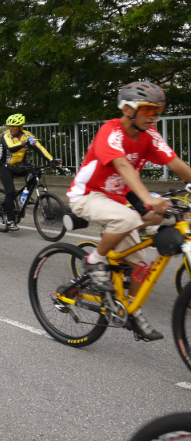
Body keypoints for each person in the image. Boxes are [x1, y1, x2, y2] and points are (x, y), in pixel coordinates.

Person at [67, 81, 191, 340]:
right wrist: (147, 198)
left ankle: (132, 310)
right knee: (128, 217)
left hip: (119, 198)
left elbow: (175, 163)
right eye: (148, 110)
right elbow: (122, 165)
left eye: (158, 110)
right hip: (88, 194)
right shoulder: (111, 131)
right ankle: (94, 260)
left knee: (143, 263)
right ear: (127, 109)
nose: (154, 116)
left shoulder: (150, 135)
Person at [0, 114, 61, 231]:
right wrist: (24, 143)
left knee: (36, 172)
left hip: (19, 164)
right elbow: (11, 147)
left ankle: (25, 195)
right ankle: (10, 220)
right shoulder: (6, 135)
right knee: (10, 192)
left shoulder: (28, 135)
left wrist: (51, 160)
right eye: (10, 126)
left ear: (21, 127)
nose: (11, 128)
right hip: (4, 165)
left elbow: (39, 148)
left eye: (14, 126)